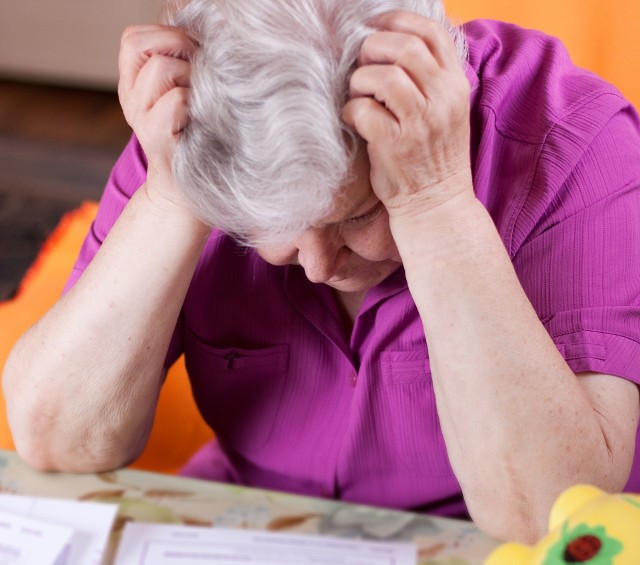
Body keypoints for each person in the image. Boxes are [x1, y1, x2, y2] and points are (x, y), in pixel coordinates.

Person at [3, 0, 640, 543]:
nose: (317, 264)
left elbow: (550, 518)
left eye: (356, 215)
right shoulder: (203, 124)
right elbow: (58, 442)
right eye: (267, 231)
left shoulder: (578, 142)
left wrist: (433, 201)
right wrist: (173, 194)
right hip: (262, 523)